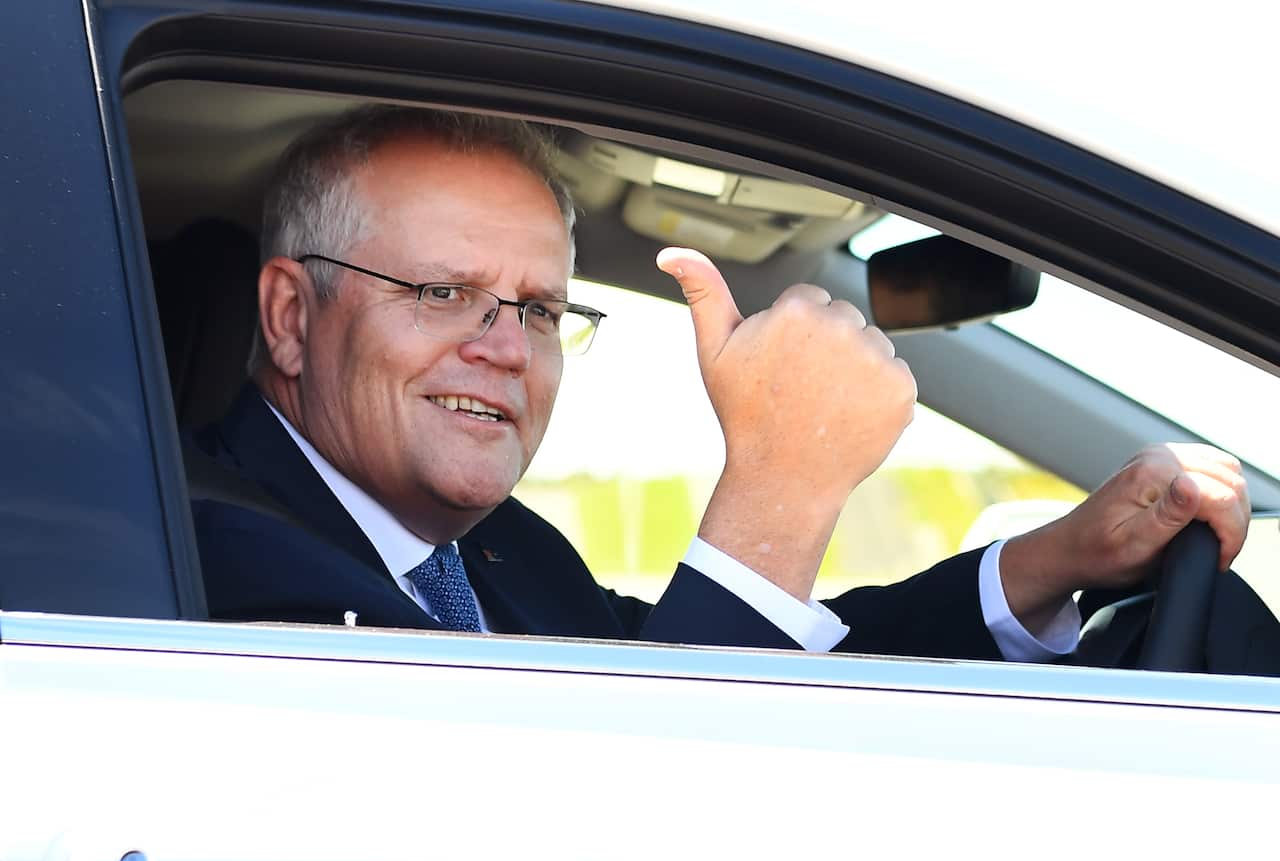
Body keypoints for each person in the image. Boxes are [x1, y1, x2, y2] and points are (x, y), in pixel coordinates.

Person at [189, 105, 1251, 662]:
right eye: (442, 290)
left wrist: (1054, 560)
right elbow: (622, 825)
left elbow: (725, 662)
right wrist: (779, 486)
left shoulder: (491, 550)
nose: (506, 347)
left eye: (540, 309)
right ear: (290, 315)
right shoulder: (212, 562)